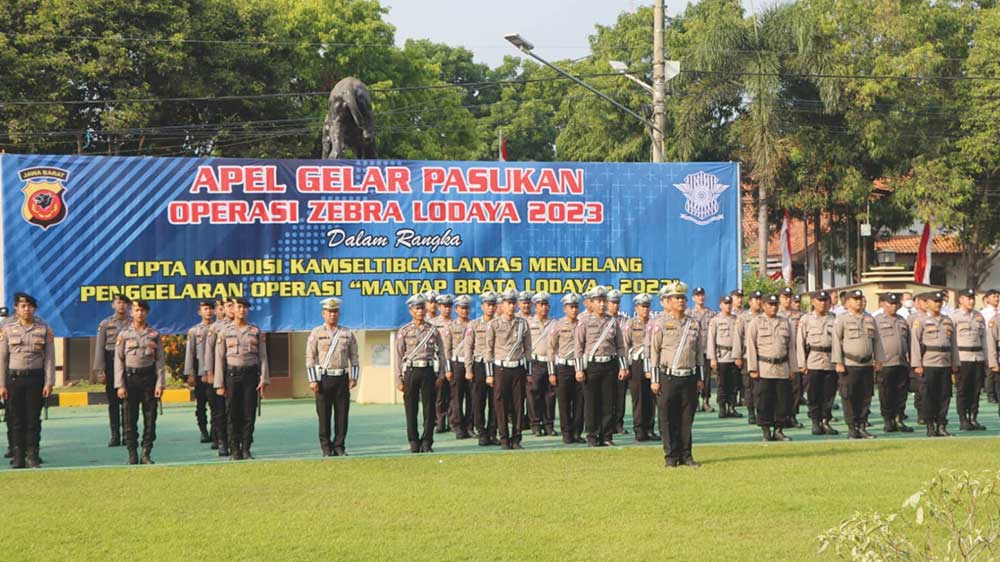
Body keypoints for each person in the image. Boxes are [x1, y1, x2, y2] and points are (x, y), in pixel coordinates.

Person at [648, 282, 703, 467]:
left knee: (687, 418)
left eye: (683, 298)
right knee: (667, 418)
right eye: (677, 298)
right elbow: (654, 353)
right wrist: (655, 379)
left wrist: (701, 378)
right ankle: (671, 456)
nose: (681, 301)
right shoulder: (660, 323)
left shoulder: (693, 323)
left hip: (689, 376)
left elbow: (699, 353)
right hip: (668, 376)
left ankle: (686, 455)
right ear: (669, 301)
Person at [0, 293, 55, 469]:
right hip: (14, 379)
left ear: (35, 309)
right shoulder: (8, 330)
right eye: (23, 306)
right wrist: (1, 385)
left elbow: (49, 358)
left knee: (33, 419)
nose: (26, 309)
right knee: (16, 419)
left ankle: (33, 455)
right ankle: (18, 456)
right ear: (16, 308)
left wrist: (49, 382)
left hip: (35, 379)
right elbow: (2, 359)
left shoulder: (43, 329)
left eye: (30, 306)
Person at [213, 297, 270, 460]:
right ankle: (235, 449)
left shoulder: (255, 331)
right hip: (232, 375)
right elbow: (219, 359)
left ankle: (246, 448)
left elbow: (263, 356)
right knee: (232, 413)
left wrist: (264, 379)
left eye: (245, 307)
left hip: (251, 376)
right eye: (239, 307)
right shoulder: (224, 332)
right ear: (233, 309)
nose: (241, 310)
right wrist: (219, 384)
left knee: (249, 413)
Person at [305, 297, 359, 456]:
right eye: (329, 312)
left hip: (342, 377)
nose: (332, 314)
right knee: (324, 415)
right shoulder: (316, 333)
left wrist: (354, 377)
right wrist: (312, 380)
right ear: (323, 313)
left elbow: (354, 356)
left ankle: (339, 446)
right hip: (323, 378)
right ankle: (326, 447)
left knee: (342, 414)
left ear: (339, 313)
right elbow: (310, 357)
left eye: (335, 311)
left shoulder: (347, 333)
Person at [574, 286, 627, 447]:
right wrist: (579, 369)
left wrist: (622, 367)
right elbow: (579, 347)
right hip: (592, 366)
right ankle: (592, 435)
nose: (602, 304)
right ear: (592, 303)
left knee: (608, 402)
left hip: (609, 365)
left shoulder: (612, 321)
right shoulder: (584, 322)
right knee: (591, 403)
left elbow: (620, 346)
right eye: (598, 301)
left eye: (604, 300)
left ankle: (606, 436)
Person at [114, 299, 165, 465]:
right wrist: (120, 385)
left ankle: (146, 453)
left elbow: (159, 361)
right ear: (131, 312)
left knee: (150, 418)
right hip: (130, 380)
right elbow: (118, 361)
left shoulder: (154, 334)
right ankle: (132, 454)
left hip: (149, 379)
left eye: (142, 310)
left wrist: (160, 384)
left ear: (147, 313)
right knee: (129, 418)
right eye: (136, 310)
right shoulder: (124, 334)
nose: (139, 313)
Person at [396, 294, 448, 453]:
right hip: (411, 371)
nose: (420, 311)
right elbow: (398, 356)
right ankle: (413, 441)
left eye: (421, 308)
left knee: (429, 408)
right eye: (416, 308)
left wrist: (441, 374)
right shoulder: (404, 330)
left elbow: (442, 354)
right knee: (411, 408)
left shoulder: (433, 330)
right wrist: (398, 378)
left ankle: (427, 442)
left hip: (428, 371)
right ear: (411, 311)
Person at [832, 290, 883, 439]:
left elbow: (877, 341)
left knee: (866, 396)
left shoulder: (869, 318)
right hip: (849, 364)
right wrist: (838, 362)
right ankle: (852, 427)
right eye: (855, 299)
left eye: (860, 299)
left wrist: (879, 359)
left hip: (866, 364)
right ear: (848, 302)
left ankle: (862, 426)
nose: (859, 301)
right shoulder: (842, 319)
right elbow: (836, 341)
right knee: (849, 397)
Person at [746, 294, 797, 442]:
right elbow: (751, 346)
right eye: (770, 304)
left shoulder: (785, 322)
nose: (773, 307)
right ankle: (766, 431)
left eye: (775, 304)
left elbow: (791, 347)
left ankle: (779, 430)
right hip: (764, 368)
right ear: (763, 306)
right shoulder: (756, 322)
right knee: (764, 401)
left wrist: (793, 368)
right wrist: (753, 368)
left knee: (782, 401)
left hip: (782, 368)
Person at [486, 289, 531, 449]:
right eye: (508, 303)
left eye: (513, 303)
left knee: (518, 404)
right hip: (501, 369)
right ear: (502, 305)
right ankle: (504, 438)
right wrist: (489, 374)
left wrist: (529, 372)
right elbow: (488, 350)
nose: (511, 306)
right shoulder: (494, 324)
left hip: (518, 368)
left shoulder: (522, 323)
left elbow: (528, 349)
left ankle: (516, 438)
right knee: (501, 404)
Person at [910, 291, 960, 437]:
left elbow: (953, 343)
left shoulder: (947, 320)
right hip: (929, 362)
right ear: (927, 303)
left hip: (945, 363)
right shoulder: (921, 321)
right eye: (935, 301)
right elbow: (915, 343)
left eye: (940, 301)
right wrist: (917, 364)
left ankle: (941, 424)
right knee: (928, 396)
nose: (938, 304)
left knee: (944, 395)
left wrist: (955, 362)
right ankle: (930, 425)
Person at [93, 294, 132, 447]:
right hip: (110, 361)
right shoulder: (105, 324)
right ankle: (115, 435)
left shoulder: (133, 322)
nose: (121, 305)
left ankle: (127, 434)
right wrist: (100, 371)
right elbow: (99, 348)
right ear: (113, 305)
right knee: (113, 402)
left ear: (128, 306)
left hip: (128, 362)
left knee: (128, 401)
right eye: (118, 302)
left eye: (124, 303)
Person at [797, 291, 838, 435]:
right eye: (820, 300)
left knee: (829, 394)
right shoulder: (806, 319)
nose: (823, 303)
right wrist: (802, 363)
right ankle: (815, 422)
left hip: (831, 360)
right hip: (813, 359)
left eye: (825, 300)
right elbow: (800, 342)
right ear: (813, 302)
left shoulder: (834, 319)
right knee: (813, 394)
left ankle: (826, 421)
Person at [874, 293, 913, 433]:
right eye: (890, 303)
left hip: (901, 362)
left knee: (901, 393)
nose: (893, 306)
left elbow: (908, 341)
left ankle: (899, 419)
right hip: (884, 363)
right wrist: (874, 360)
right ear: (883, 304)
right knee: (886, 393)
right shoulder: (876, 321)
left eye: (896, 303)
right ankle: (888, 420)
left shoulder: (902, 320)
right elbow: (872, 341)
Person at [464, 292, 499, 446]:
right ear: (482, 306)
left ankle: (492, 432)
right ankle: (482, 433)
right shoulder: (474, 324)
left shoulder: (499, 323)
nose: (490, 307)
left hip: (496, 365)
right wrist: (468, 369)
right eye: (488, 305)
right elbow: (468, 347)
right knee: (479, 401)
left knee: (496, 401)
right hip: (479, 365)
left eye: (493, 304)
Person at [549, 293, 585, 444]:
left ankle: (577, 432)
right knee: (564, 402)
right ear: (565, 308)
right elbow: (551, 349)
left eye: (576, 306)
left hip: (580, 368)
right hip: (563, 367)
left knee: (579, 402)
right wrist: (552, 372)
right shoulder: (558, 325)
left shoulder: (582, 324)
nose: (574, 310)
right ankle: (566, 433)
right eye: (571, 307)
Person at [950, 289, 987, 431]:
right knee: (963, 390)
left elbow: (984, 338)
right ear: (960, 300)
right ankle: (963, 419)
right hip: (963, 357)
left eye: (973, 298)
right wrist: (954, 360)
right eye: (968, 298)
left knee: (976, 390)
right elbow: (951, 341)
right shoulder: (954, 317)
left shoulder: (979, 316)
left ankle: (973, 417)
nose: (971, 301)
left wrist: (986, 358)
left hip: (977, 357)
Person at [625, 293, 658, 439]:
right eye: (642, 306)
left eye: (647, 306)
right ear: (636, 308)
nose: (645, 309)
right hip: (637, 363)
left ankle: (650, 428)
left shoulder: (655, 323)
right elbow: (625, 345)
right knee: (638, 397)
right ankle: (639, 429)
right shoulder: (631, 324)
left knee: (651, 397)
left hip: (652, 362)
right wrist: (625, 366)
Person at [184, 300, 215, 445]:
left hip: (215, 373)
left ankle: (215, 432)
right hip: (200, 373)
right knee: (201, 405)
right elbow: (190, 353)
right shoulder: (194, 331)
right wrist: (190, 373)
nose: (208, 311)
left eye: (210, 309)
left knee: (216, 405)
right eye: (205, 309)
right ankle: (203, 431)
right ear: (199, 312)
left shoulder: (218, 328)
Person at [707, 294, 743, 418]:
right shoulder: (715, 320)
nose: (728, 306)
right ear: (720, 305)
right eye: (725, 303)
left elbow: (740, 339)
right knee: (722, 384)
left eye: (729, 303)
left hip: (734, 356)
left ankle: (732, 407)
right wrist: (713, 358)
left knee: (734, 384)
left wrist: (739, 356)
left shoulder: (737, 319)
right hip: (721, 356)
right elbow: (711, 340)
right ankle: (722, 408)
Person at [527, 292, 557, 436]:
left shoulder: (554, 323)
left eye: (546, 305)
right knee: (534, 395)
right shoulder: (528, 323)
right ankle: (535, 424)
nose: (544, 307)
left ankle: (548, 425)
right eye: (541, 305)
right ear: (535, 306)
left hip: (550, 363)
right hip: (535, 363)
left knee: (550, 396)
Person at [203, 299, 230, 455]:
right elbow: (209, 353)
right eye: (227, 306)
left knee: (235, 410)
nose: (231, 309)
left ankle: (235, 441)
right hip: (220, 374)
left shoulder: (247, 327)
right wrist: (210, 373)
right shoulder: (215, 328)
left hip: (236, 372)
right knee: (219, 410)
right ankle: (221, 440)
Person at [444, 295, 474, 439]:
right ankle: (458, 426)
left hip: (471, 364)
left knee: (471, 396)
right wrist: (448, 369)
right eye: (462, 308)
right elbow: (447, 350)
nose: (464, 311)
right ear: (456, 309)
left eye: (466, 308)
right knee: (457, 397)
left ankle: (469, 426)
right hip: (457, 364)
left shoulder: (473, 325)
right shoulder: (450, 326)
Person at [778, 287, 804, 428]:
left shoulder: (800, 315)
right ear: (780, 298)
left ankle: (792, 415)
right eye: (785, 297)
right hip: (781, 355)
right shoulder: (775, 314)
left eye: (789, 297)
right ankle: (781, 417)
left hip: (796, 355)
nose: (788, 300)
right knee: (781, 389)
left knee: (796, 389)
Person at [687, 287, 716, 413]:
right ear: (693, 298)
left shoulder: (711, 314)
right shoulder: (688, 313)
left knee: (707, 378)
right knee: (694, 377)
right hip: (693, 351)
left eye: (702, 295)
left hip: (706, 350)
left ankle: (706, 401)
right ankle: (695, 401)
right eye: (698, 295)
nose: (700, 297)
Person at [606, 289, 631, 433]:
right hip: (608, 359)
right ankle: (607, 424)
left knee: (620, 394)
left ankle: (618, 423)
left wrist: (625, 364)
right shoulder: (604, 320)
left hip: (622, 360)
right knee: (607, 394)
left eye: (617, 303)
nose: (615, 305)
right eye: (612, 303)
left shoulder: (625, 320)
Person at [738, 290, 764, 423]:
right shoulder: (743, 318)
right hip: (747, 356)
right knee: (748, 387)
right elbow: (738, 337)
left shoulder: (764, 316)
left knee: (761, 387)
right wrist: (737, 356)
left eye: (760, 299)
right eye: (756, 299)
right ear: (750, 302)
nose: (758, 301)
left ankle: (761, 411)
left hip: (763, 357)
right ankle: (751, 412)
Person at [430, 294, 454, 434]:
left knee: (452, 395)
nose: (447, 309)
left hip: (452, 361)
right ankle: (439, 422)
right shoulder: (432, 323)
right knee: (438, 395)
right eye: (445, 306)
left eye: (449, 306)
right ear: (439, 307)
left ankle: (451, 422)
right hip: (438, 362)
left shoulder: (455, 323)